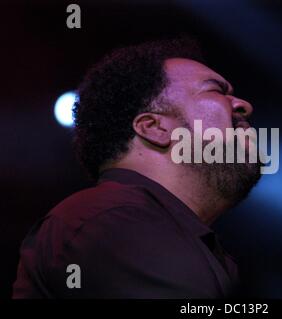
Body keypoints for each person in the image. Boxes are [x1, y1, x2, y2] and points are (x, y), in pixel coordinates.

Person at [13, 37, 262, 298]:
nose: (244, 105)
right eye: (216, 91)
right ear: (154, 128)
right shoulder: (114, 218)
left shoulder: (147, 225)